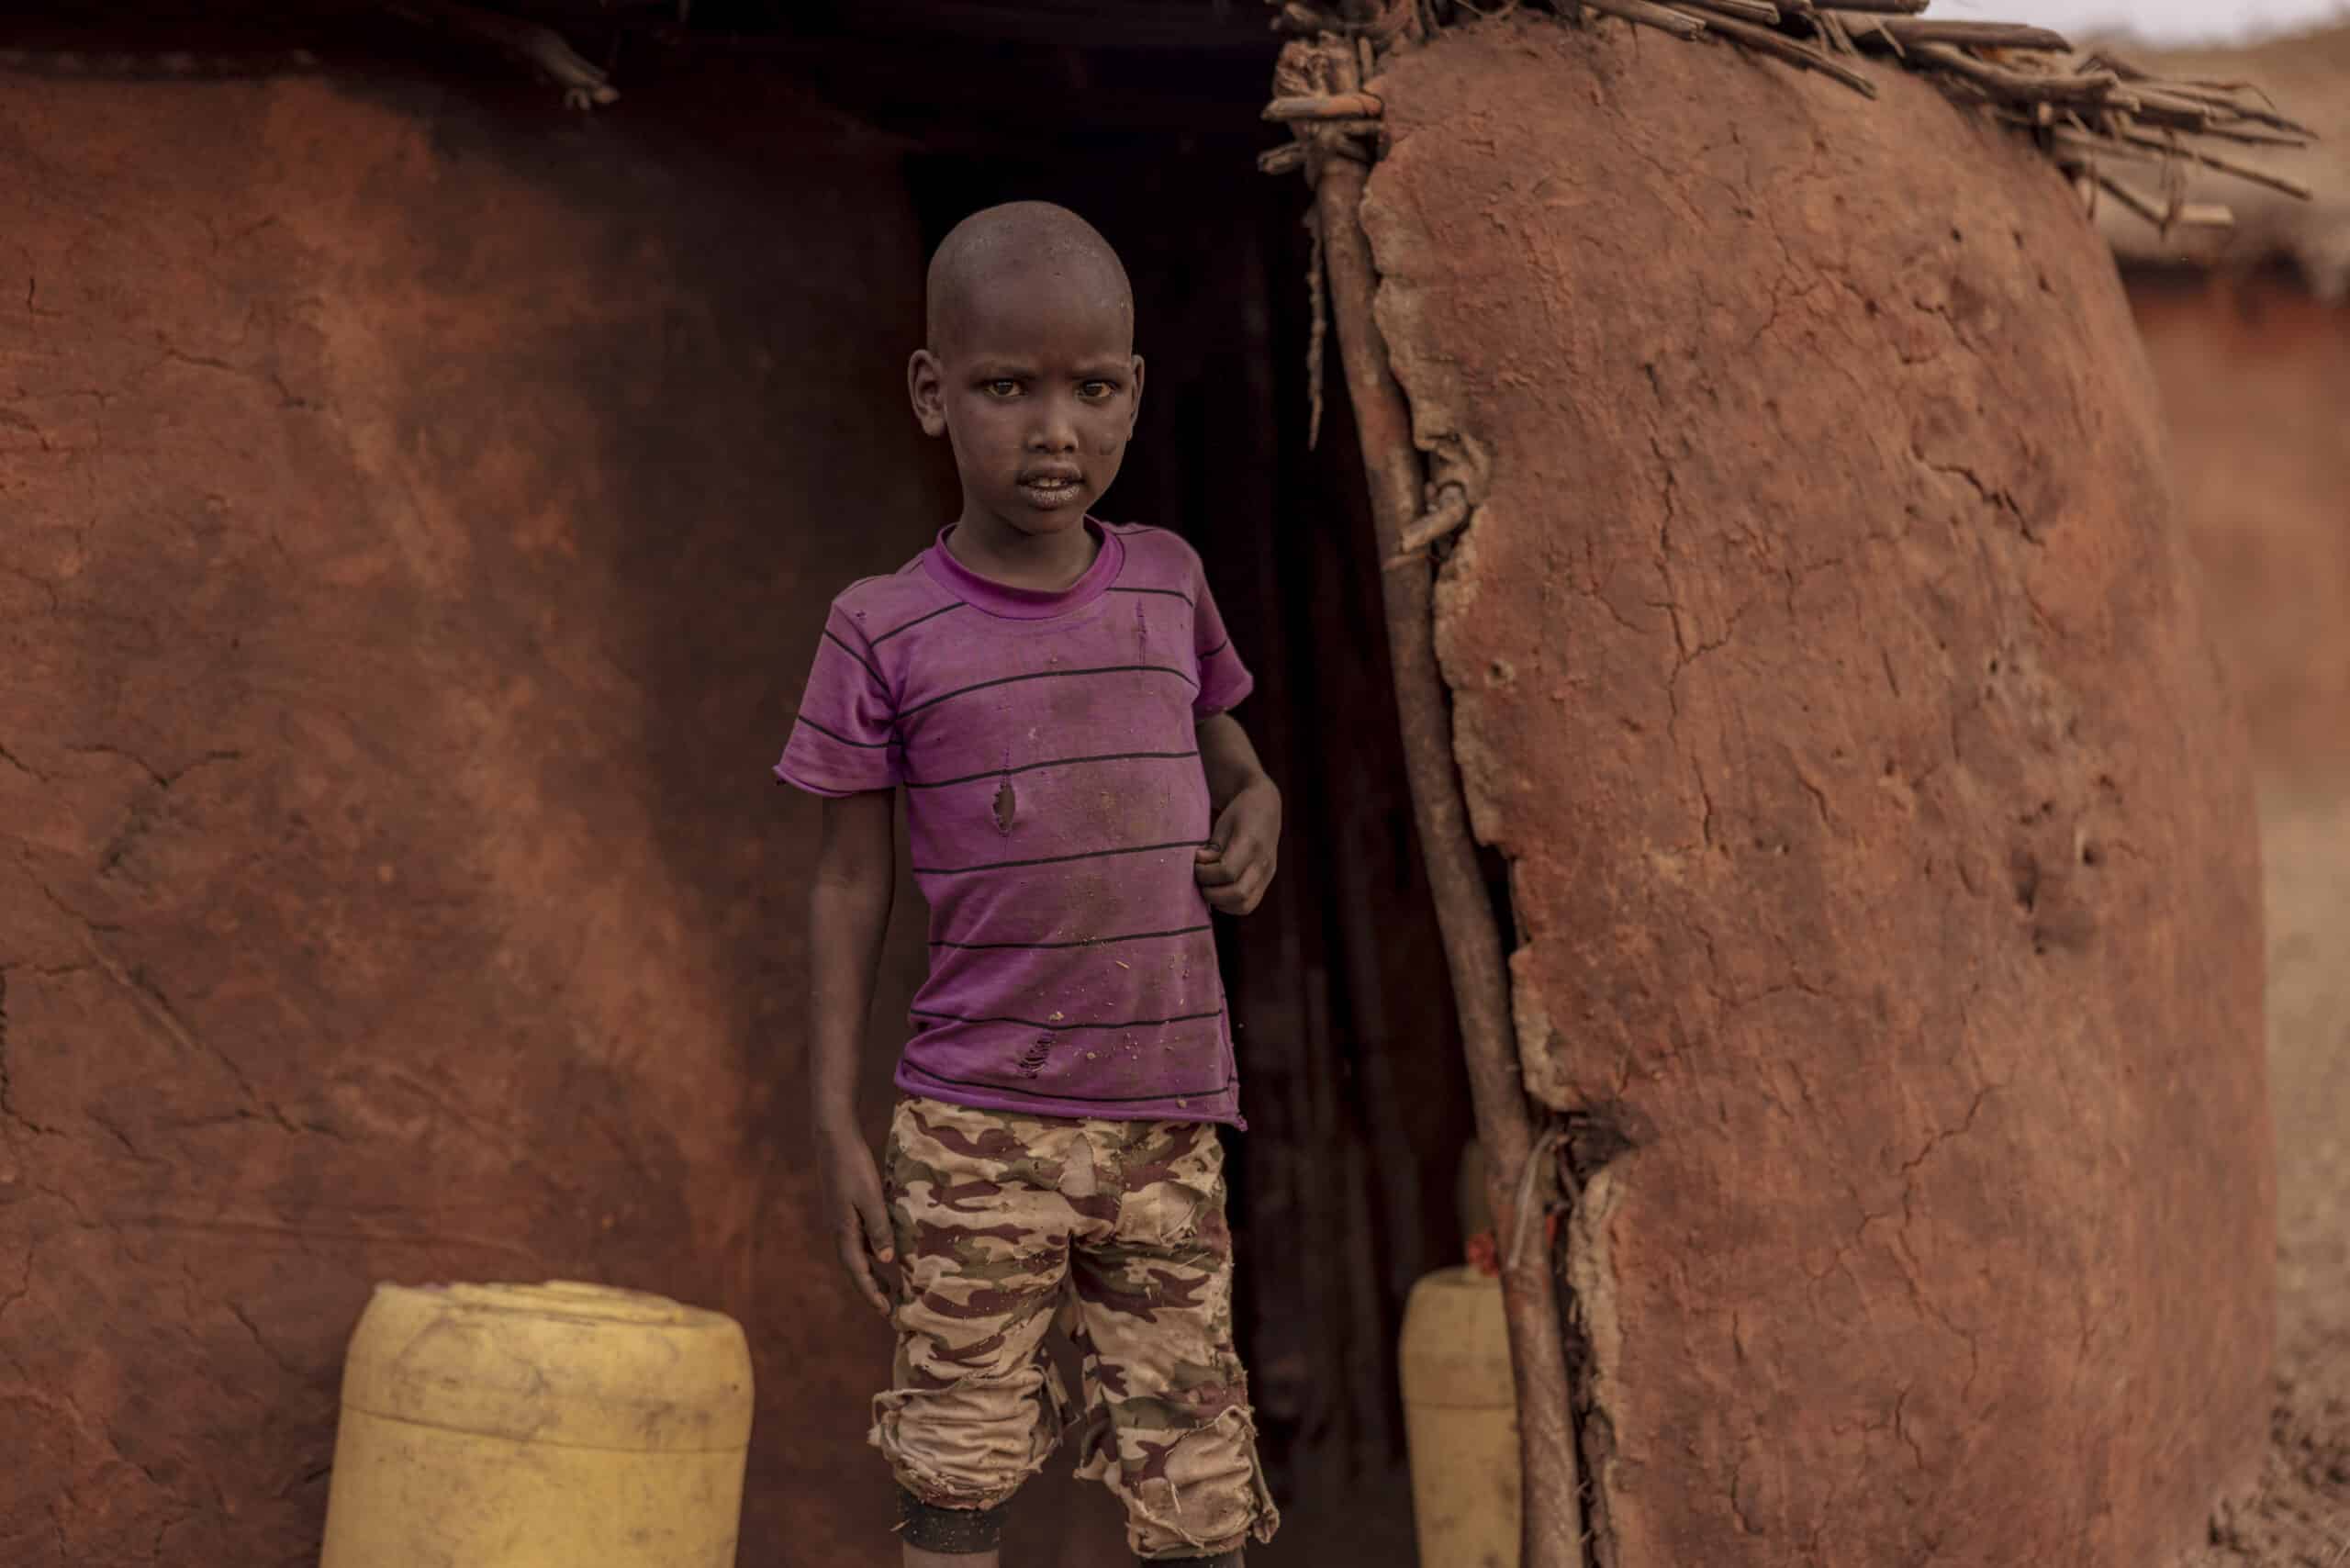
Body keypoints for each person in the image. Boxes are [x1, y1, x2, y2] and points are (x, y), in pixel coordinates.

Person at [779, 201, 1283, 1568]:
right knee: (957, 1473)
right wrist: (835, 1120)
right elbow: (845, 884)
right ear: (934, 395)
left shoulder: (1169, 585)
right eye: (1009, 387)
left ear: (1132, 392)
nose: (1056, 429)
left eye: (1094, 388)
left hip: (1166, 1128)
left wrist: (1261, 805)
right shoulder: (883, 628)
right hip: (971, 1127)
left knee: (1199, 1491)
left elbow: (1227, 750)